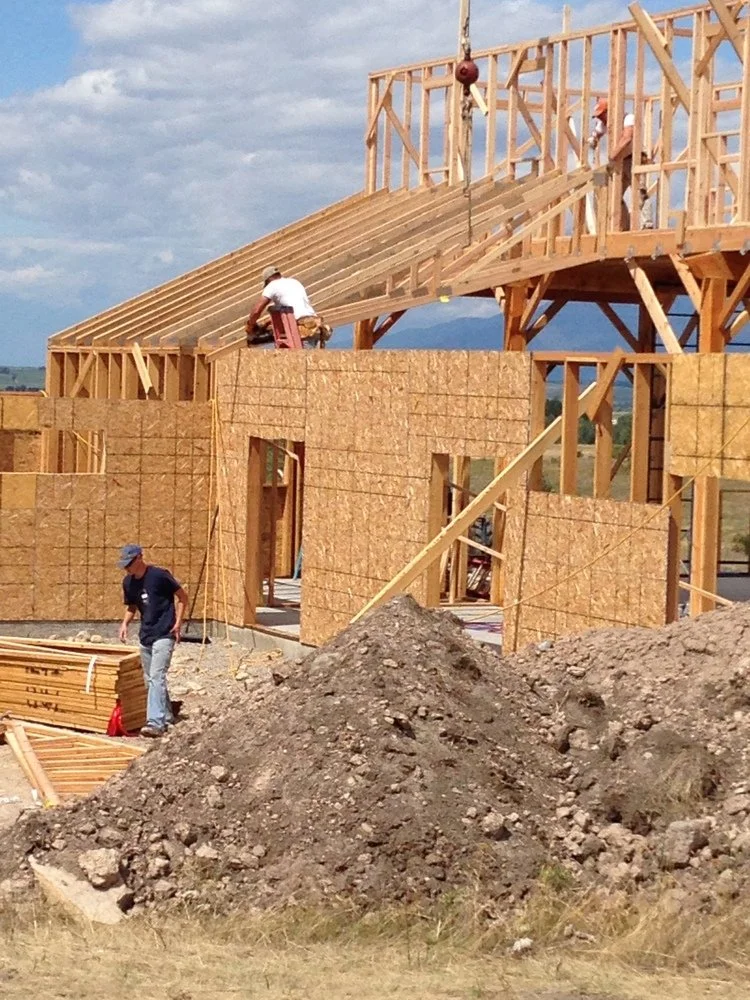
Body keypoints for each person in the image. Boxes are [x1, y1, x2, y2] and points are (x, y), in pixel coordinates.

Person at [118, 544, 188, 738]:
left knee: (157, 677)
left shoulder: (159, 576)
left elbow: (182, 597)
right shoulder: (129, 583)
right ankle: (166, 717)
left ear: (140, 558)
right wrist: (125, 624)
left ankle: (155, 722)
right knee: (150, 681)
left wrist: (178, 623)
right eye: (125, 565)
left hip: (164, 634)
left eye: (130, 564)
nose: (127, 569)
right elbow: (132, 606)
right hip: (146, 635)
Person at [588, 98, 653, 230]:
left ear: (609, 111)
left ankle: (647, 224)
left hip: (633, 159)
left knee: (640, 192)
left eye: (601, 115)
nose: (600, 118)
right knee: (613, 194)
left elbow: (627, 138)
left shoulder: (628, 118)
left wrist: (613, 155)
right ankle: (623, 226)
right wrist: (593, 139)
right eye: (598, 116)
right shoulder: (604, 123)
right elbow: (597, 132)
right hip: (618, 162)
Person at [245, 266, 331, 347]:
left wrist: (250, 325)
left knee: (300, 359)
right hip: (314, 325)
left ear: (268, 280)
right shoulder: (294, 282)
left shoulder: (272, 285)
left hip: (300, 330)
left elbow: (256, 311)